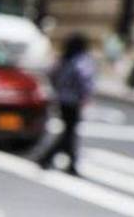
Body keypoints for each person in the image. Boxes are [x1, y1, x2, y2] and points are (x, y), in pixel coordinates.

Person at [37, 32, 96, 176]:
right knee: (69, 133)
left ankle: (68, 164)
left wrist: (59, 89)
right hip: (73, 101)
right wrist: (85, 96)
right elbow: (84, 79)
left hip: (62, 100)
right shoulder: (81, 61)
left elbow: (50, 74)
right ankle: (49, 158)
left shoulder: (63, 59)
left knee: (69, 132)